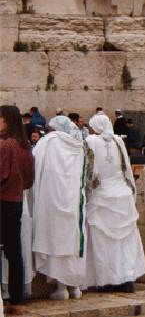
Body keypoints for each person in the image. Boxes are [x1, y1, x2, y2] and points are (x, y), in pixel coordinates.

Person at [82, 115, 145, 291]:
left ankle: (106, 280)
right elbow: (125, 167)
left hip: (101, 196)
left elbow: (88, 170)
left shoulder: (90, 141)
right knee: (125, 242)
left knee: (103, 242)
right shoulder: (118, 141)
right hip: (122, 196)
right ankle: (126, 279)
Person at [32, 116, 86, 300]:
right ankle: (75, 287)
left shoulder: (48, 142)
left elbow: (36, 165)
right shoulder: (78, 145)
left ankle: (61, 288)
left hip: (53, 199)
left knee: (55, 240)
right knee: (73, 241)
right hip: (73, 201)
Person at [0, 106, 34, 314]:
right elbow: (29, 179)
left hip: (2, 200)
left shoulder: (5, 145)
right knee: (14, 251)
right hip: (16, 201)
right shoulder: (24, 145)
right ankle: (17, 299)